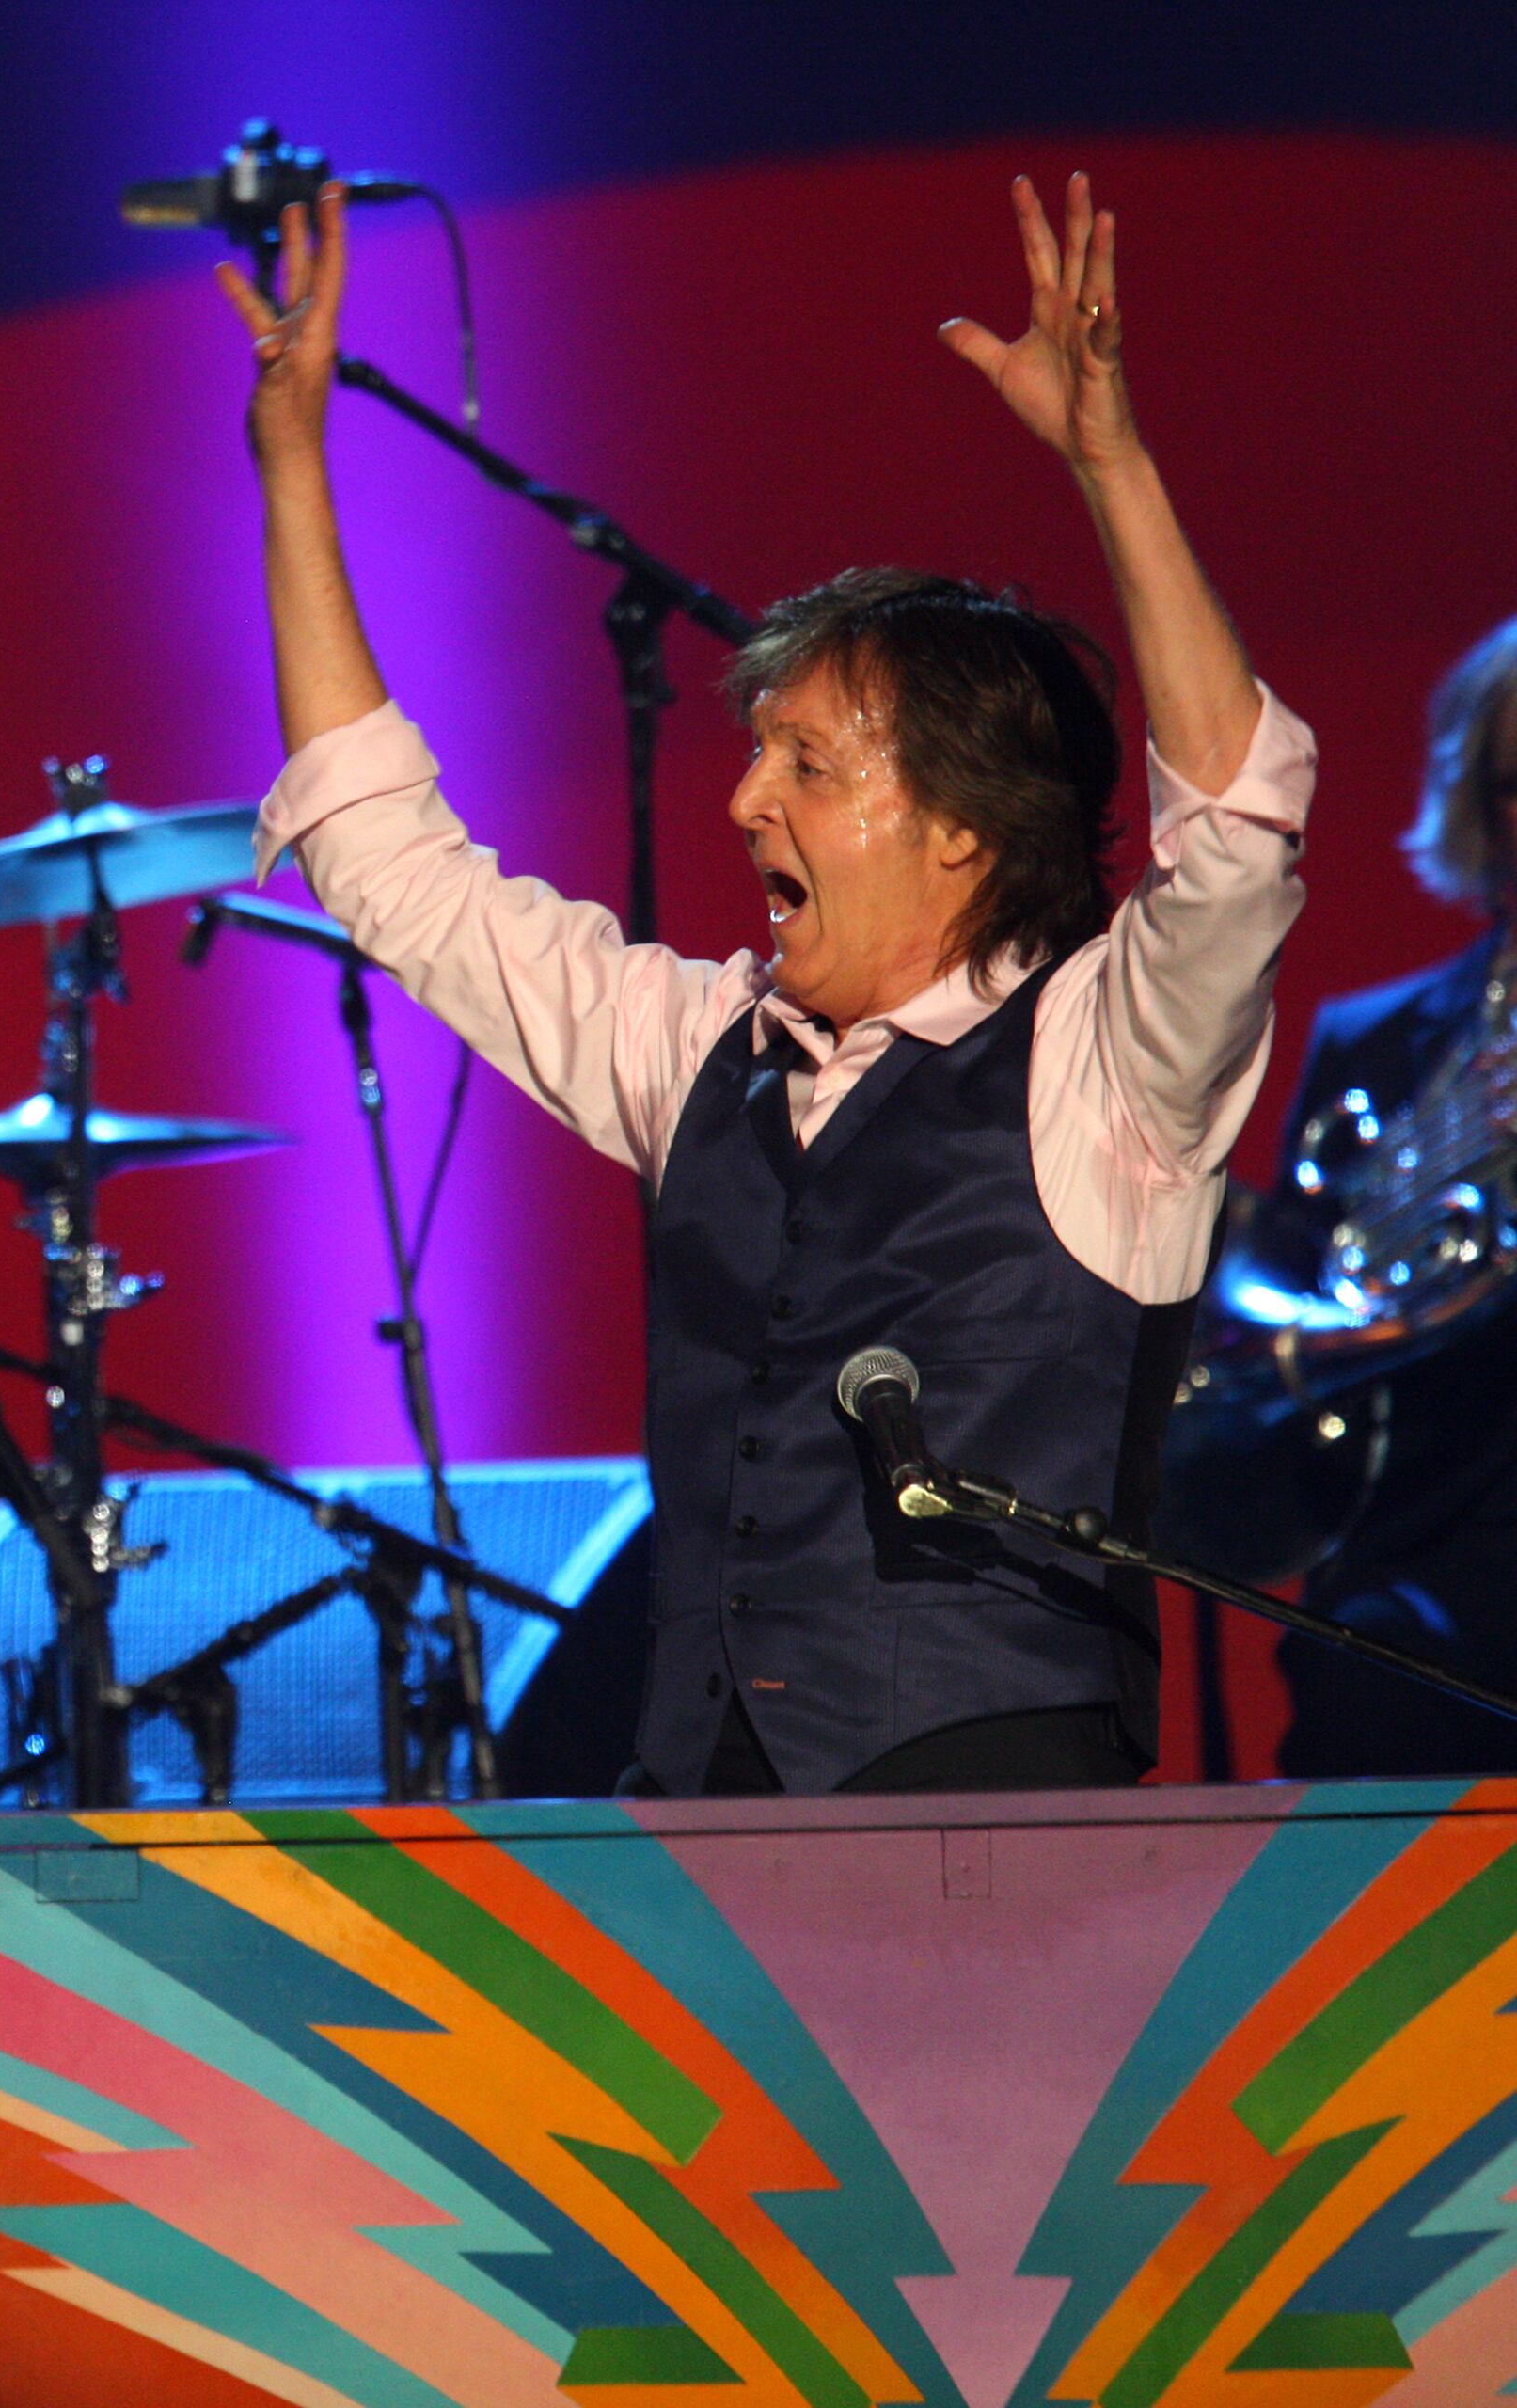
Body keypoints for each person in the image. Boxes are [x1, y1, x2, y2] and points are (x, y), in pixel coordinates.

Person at [228, 174, 1312, 1795]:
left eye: (806, 761)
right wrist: (293, 464)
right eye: (755, 753)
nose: (745, 802)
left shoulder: (1108, 1069)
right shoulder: (703, 1055)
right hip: (704, 1806)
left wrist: (1110, 465)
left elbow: (1236, 830)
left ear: (957, 828)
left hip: (995, 1819)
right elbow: (388, 861)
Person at [1165, 614, 1517, 1775]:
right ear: (1478, 801)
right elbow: (1291, 1290)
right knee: (1359, 1690)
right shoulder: (1371, 1042)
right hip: (1408, 1550)